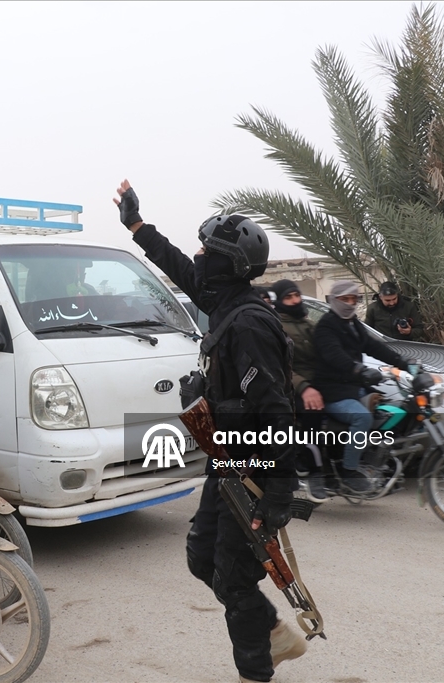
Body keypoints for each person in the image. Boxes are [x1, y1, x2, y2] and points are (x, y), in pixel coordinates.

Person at [114, 180, 307, 683]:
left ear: (227, 263)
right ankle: (275, 633)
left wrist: (278, 491)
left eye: (206, 250)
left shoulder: (248, 325)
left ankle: (256, 670)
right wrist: (137, 225)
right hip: (228, 463)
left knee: (235, 578)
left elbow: (278, 412)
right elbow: (178, 264)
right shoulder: (223, 301)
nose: (198, 255)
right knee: (203, 559)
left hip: (254, 468)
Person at [312, 281, 408, 493]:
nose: (349, 303)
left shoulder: (353, 323)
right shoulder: (326, 326)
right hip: (333, 392)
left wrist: (404, 363)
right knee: (362, 417)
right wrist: (360, 370)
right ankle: (349, 471)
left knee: (394, 411)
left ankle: (379, 464)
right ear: (334, 300)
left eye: (353, 299)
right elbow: (335, 355)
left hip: (354, 388)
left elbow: (374, 347)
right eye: (344, 299)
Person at [270, 279, 326, 503]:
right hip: (293, 387)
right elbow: (281, 366)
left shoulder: (307, 323)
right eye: (288, 297)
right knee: (312, 413)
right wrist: (305, 387)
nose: (295, 300)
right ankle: (313, 470)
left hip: (317, 382)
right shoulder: (277, 326)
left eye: (296, 295)